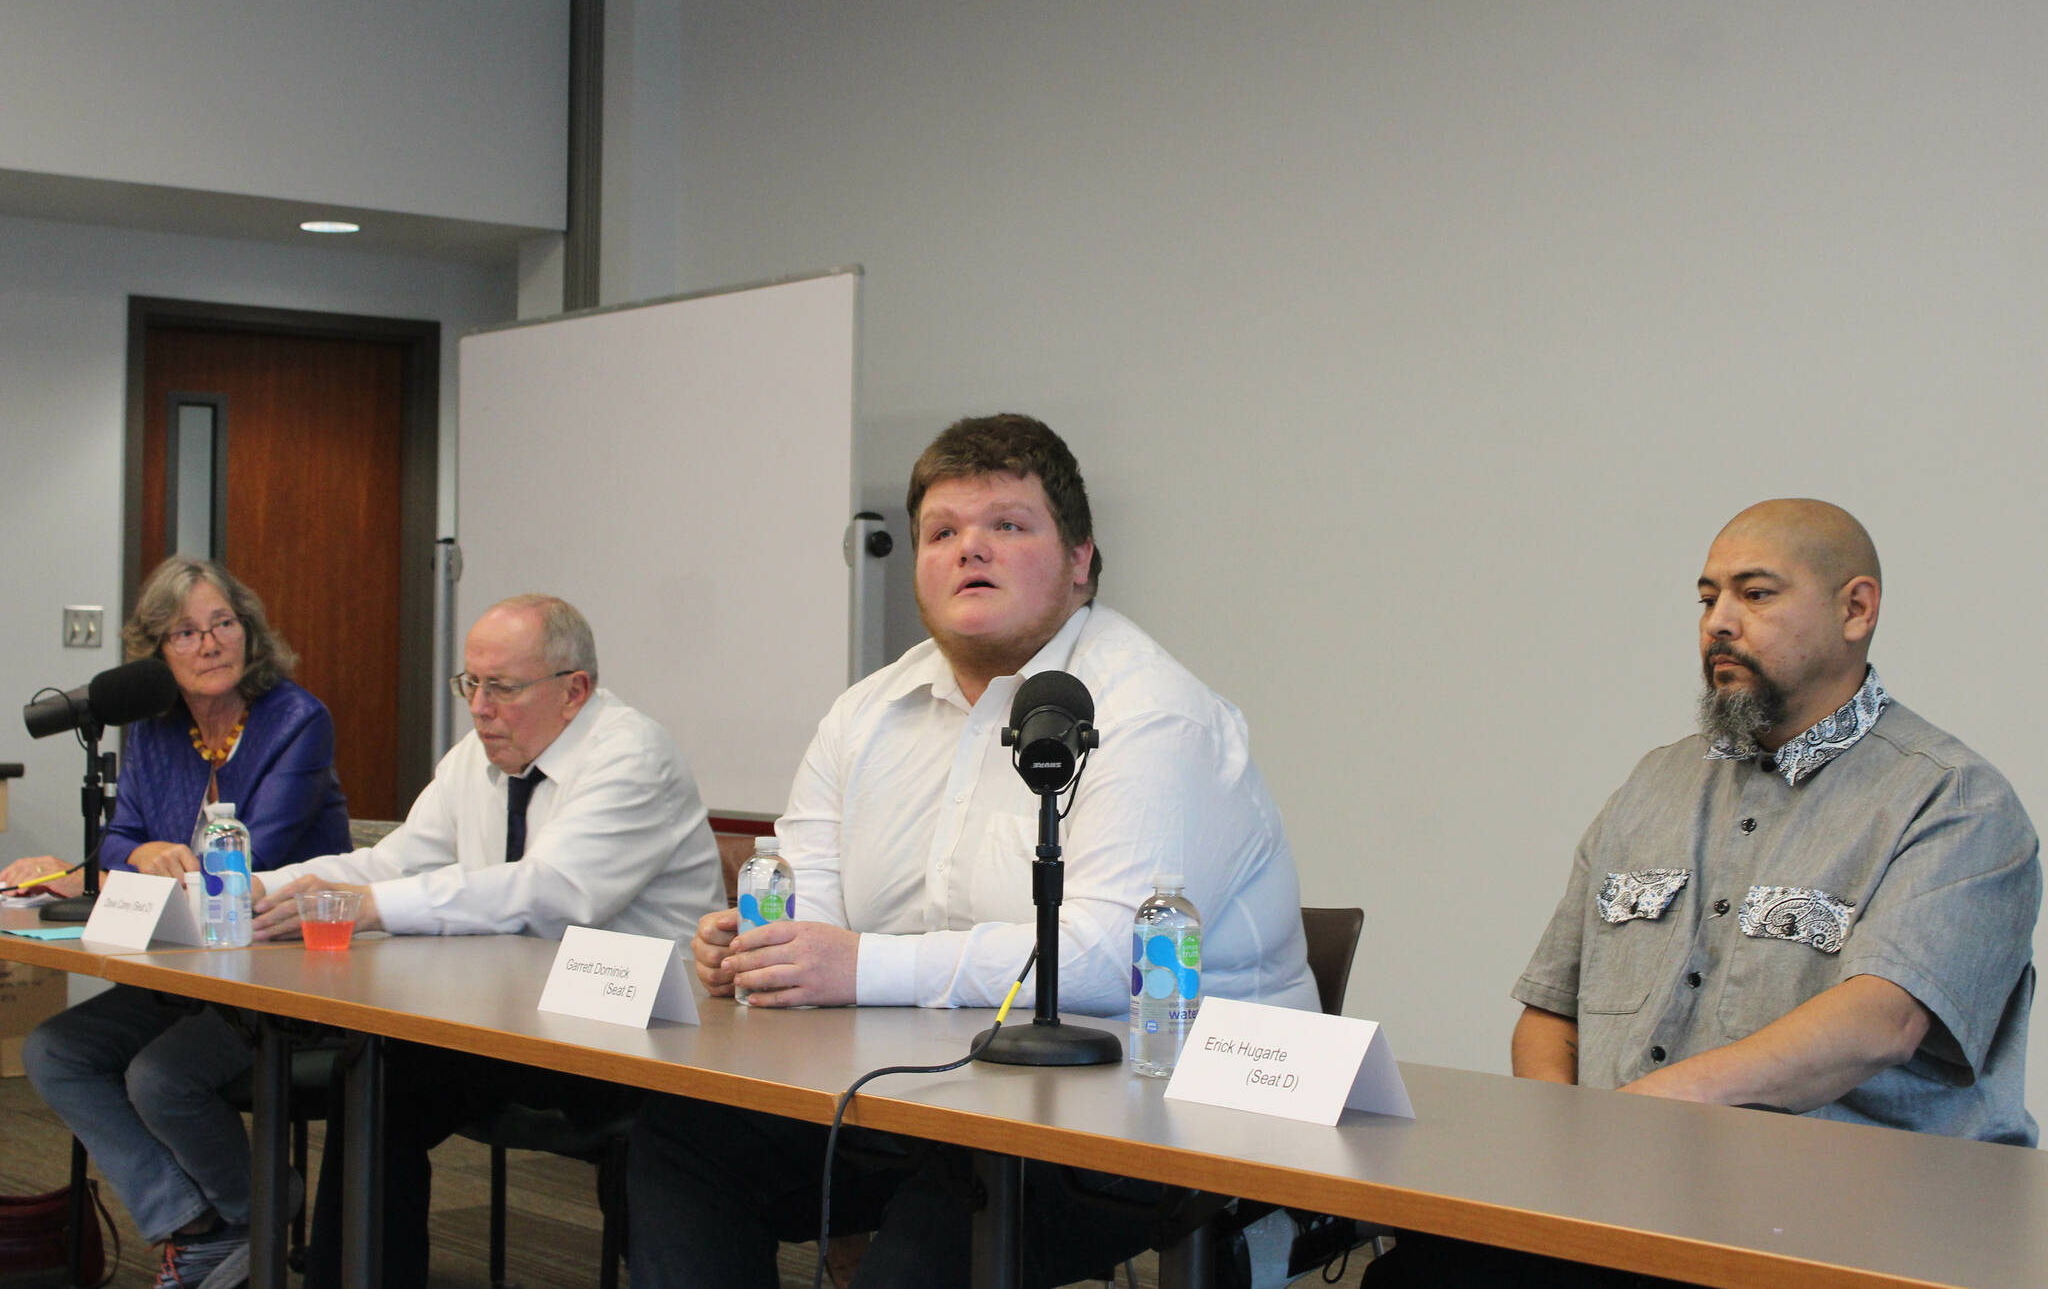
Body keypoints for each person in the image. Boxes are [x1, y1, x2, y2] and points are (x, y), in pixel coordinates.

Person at [627, 414, 1318, 1289]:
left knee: (943, 1225)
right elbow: (815, 911)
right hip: (944, 1086)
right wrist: (763, 949)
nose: (969, 549)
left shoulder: (1151, 713)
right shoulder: (865, 714)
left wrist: (857, 965)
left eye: (1007, 525)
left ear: (1080, 560)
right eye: (942, 532)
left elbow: (1108, 961)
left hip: (1154, 1104)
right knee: (686, 1139)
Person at [1369, 499, 2041, 1287]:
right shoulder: (1654, 783)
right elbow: (1551, 1011)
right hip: (1632, 1209)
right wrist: (1560, 1158)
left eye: (1755, 595)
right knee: (1417, 1271)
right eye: (1706, 597)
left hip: (1855, 1232)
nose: (1718, 621)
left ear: (1856, 608)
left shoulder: (1956, 800)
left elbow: (1880, 1021)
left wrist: (1636, 1117)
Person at [250, 593, 725, 1289]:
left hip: (638, 1032)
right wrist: (261, 886)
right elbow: (391, 861)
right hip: (514, 1017)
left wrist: (375, 907)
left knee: (394, 1069)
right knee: (377, 1073)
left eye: (501, 686)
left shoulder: (632, 754)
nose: (478, 707)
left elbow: (550, 890)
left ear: (575, 690)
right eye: (470, 683)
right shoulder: (476, 757)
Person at [6, 557, 350, 1289]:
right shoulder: (154, 730)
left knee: (160, 1075)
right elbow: (123, 836)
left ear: (247, 631)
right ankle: (205, 1223)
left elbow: (265, 851)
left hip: (282, 968)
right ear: (157, 651)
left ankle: (251, 1213)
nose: (208, 643)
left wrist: (159, 860)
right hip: (183, 963)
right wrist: (135, 853)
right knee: (53, 1050)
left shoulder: (298, 720)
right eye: (184, 632)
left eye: (222, 623)